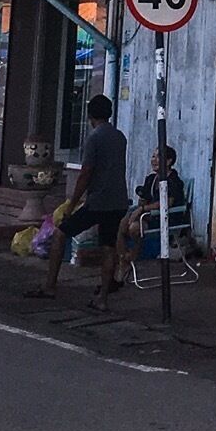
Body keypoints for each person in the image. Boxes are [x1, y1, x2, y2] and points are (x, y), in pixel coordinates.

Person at [27, 94, 131, 311]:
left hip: (98, 200)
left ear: (90, 115)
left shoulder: (94, 138)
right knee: (108, 246)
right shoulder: (120, 137)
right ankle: (102, 298)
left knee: (60, 234)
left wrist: (72, 203)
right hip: (118, 200)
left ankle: (50, 286)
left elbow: (85, 173)